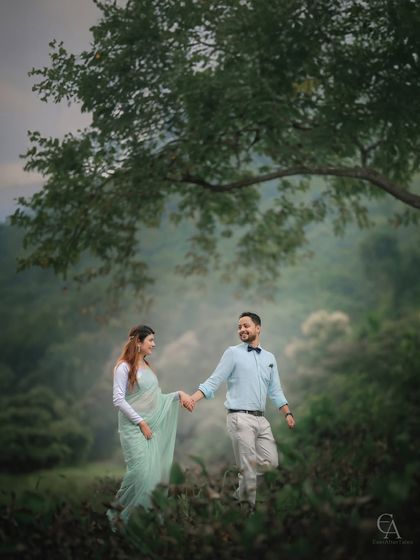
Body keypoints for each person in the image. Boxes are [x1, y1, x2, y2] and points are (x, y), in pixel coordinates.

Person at [191, 312, 295, 507]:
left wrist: (287, 413)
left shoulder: (270, 358)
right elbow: (214, 380)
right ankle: (247, 514)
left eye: (246, 325)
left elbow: (275, 390)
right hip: (239, 417)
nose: (242, 330)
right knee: (248, 470)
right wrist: (194, 398)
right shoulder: (232, 353)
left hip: (261, 420)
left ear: (258, 328)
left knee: (271, 464)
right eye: (239, 327)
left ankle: (238, 498)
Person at [107, 324, 194, 525]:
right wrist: (140, 422)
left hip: (150, 426)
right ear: (138, 341)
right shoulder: (124, 367)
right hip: (133, 427)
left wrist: (178, 394)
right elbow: (118, 400)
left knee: (151, 476)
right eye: (151, 340)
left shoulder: (147, 367)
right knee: (139, 473)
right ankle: (117, 517)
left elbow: (155, 399)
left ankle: (145, 522)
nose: (154, 344)